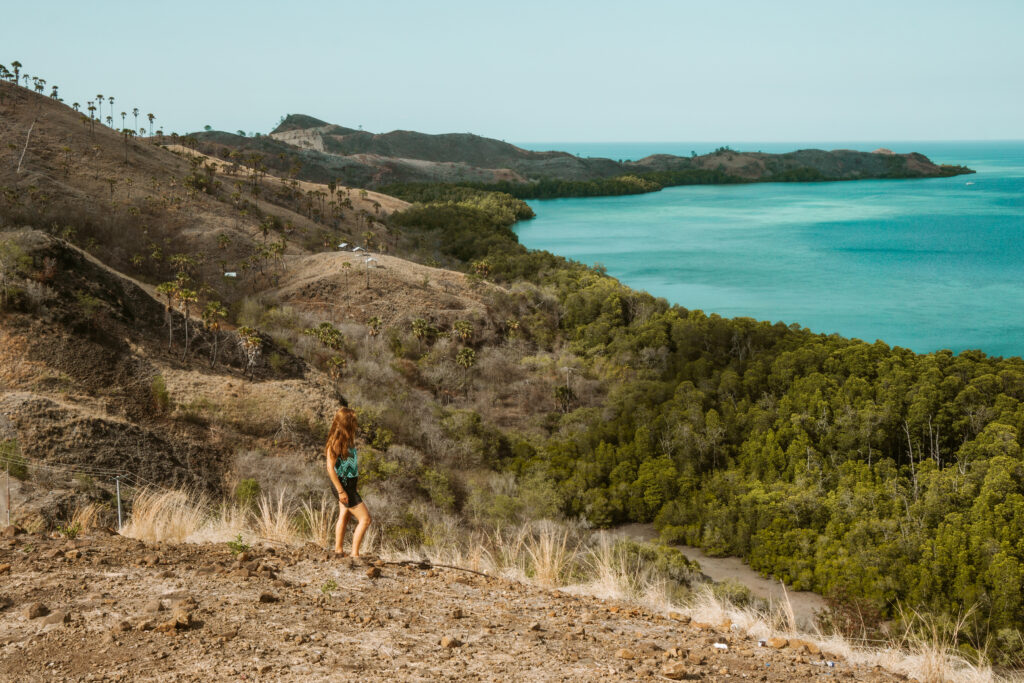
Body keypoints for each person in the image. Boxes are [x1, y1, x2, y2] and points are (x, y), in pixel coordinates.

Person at [325, 405, 372, 557]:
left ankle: (338, 550)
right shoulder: (336, 442)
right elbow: (330, 468)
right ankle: (354, 555)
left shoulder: (347, 440)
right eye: (353, 421)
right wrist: (341, 491)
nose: (355, 423)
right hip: (344, 486)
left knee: (344, 516)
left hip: (349, 485)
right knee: (365, 519)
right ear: (346, 423)